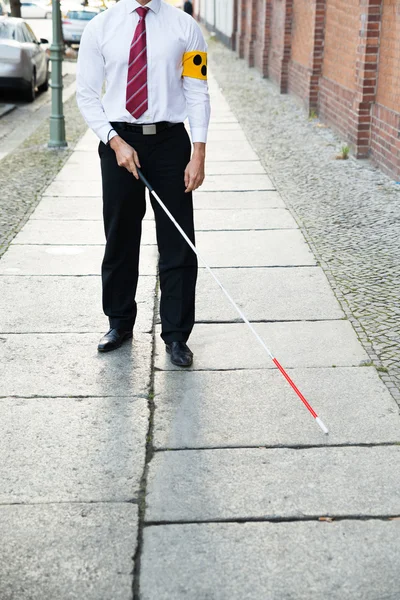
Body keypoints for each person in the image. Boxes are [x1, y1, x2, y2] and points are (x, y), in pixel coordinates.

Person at [76, 0, 210, 367]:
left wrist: (198, 152)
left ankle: (177, 335)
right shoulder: (100, 27)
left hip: (170, 143)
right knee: (120, 235)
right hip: (118, 140)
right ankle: (119, 323)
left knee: (178, 239)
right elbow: (86, 94)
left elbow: (197, 91)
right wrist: (114, 141)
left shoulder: (185, 28)